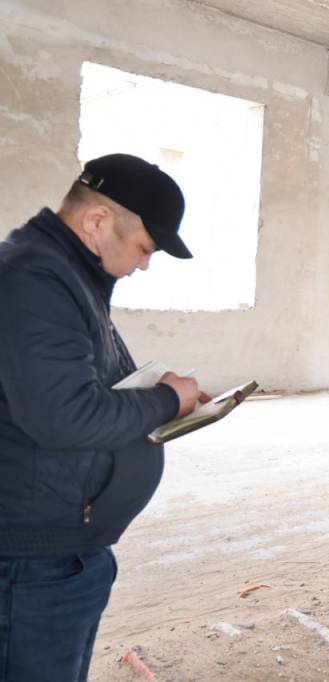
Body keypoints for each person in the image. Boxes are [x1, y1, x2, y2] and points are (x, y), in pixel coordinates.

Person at [0, 153, 204, 680]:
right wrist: (167, 401)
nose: (143, 265)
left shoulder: (65, 275)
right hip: (34, 563)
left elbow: (69, 389)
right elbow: (63, 416)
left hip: (59, 551)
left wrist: (158, 395)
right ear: (97, 220)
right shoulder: (36, 279)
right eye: (144, 248)